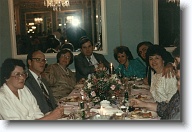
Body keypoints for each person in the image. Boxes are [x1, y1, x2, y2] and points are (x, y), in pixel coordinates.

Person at [130, 47, 180, 120]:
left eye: (157, 58)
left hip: (164, 116)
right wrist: (143, 103)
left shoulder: (169, 75)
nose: (153, 61)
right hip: (156, 110)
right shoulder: (155, 75)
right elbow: (155, 97)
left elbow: (171, 105)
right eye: (151, 59)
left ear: (163, 60)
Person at [25, 50, 57, 114]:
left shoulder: (42, 80)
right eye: (38, 59)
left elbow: (51, 102)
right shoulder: (25, 80)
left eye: (43, 60)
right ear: (30, 62)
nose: (42, 63)